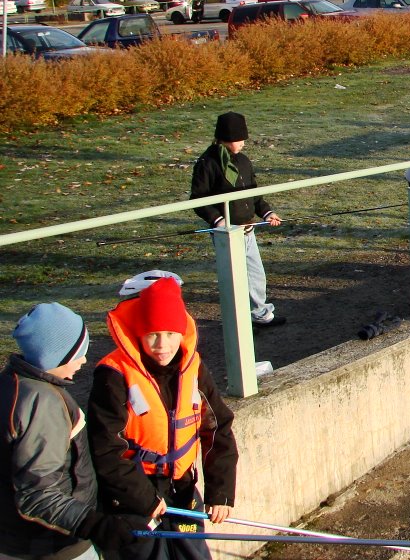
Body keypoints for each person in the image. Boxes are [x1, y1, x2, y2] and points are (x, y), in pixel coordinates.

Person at [88, 276, 238, 560]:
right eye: (152, 334)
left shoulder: (193, 368)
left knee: (193, 550)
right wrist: (143, 498)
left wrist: (221, 492)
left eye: (170, 334)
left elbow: (218, 430)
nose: (162, 345)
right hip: (133, 499)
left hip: (182, 490)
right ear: (139, 333)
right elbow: (105, 447)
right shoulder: (113, 375)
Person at [1, 303, 148, 560]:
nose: (84, 360)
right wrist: (94, 524)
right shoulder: (42, 402)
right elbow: (37, 493)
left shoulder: (12, 383)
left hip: (16, 539)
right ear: (55, 355)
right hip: (54, 545)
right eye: (78, 353)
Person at [190, 111, 285, 328]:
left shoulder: (243, 161)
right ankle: (238, 323)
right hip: (227, 232)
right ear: (223, 139)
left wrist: (267, 213)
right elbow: (197, 198)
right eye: (238, 139)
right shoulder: (208, 163)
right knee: (235, 280)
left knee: (256, 275)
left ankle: (260, 314)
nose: (242, 143)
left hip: (248, 229)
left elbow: (253, 193)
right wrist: (218, 220)